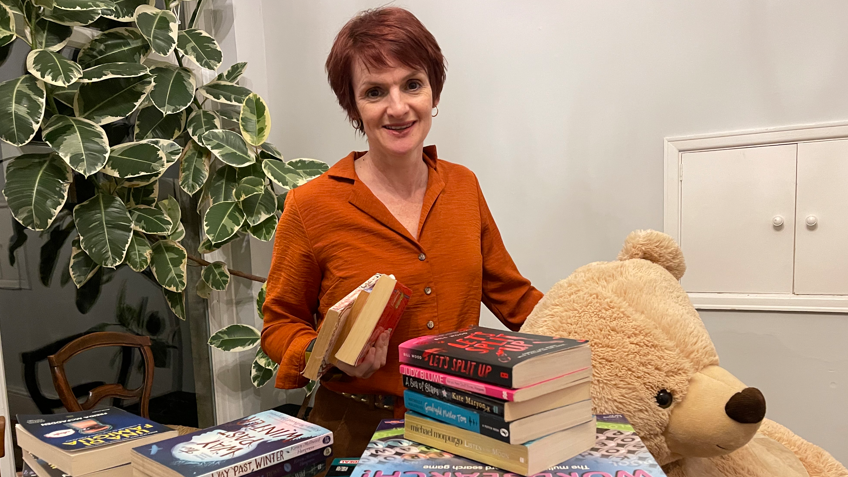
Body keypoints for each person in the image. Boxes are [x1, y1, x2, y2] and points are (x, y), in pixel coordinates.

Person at [260, 6, 543, 458]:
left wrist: (590, 340)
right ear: (353, 106)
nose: (398, 107)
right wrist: (327, 354)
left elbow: (516, 299)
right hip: (355, 432)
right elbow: (279, 324)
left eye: (412, 84)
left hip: (464, 424)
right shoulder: (311, 205)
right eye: (374, 91)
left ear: (433, 92)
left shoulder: (463, 186)